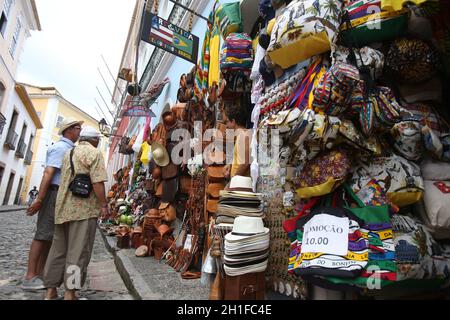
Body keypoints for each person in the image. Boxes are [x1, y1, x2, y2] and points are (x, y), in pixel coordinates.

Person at [44, 127, 109, 300]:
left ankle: (50, 291)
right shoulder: (94, 154)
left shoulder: (68, 153)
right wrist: (104, 205)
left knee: (57, 250)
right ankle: (70, 293)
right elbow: (97, 183)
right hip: (83, 210)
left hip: (62, 208)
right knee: (77, 252)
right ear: (95, 141)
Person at [22, 119, 83, 290]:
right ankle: (30, 275)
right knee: (42, 234)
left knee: (49, 236)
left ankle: (40, 274)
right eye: (78, 128)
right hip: (53, 193)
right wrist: (40, 199)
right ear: (69, 130)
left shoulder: (69, 149)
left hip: (60, 194)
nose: (80, 132)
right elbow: (49, 173)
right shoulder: (60, 148)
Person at [222, 104, 252, 180]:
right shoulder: (241, 135)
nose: (226, 125)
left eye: (227, 122)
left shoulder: (243, 136)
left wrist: (233, 180)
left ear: (233, 121)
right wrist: (230, 165)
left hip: (240, 183)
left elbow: (245, 163)